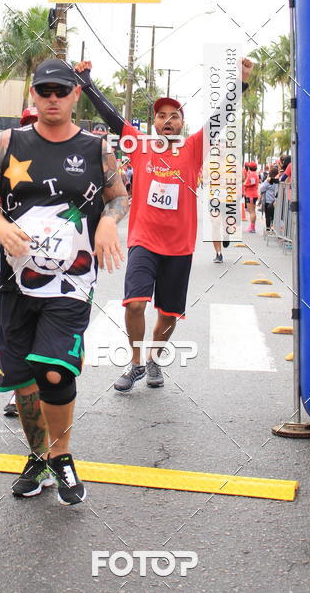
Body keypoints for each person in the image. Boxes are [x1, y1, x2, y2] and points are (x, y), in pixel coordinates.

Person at [0, 58, 129, 505]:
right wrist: (1, 228)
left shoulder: (97, 148)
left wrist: (108, 223)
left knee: (53, 370)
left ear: (75, 95)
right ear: (34, 95)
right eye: (44, 91)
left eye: (60, 91)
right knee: (23, 377)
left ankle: (61, 455)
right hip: (17, 280)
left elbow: (118, 196)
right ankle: (38, 456)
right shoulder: (10, 141)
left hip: (72, 282)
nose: (52, 99)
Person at [74, 57, 253, 393]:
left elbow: (222, 116)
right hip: (144, 239)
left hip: (179, 245)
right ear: (154, 122)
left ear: (182, 122)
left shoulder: (194, 146)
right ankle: (136, 362)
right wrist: (87, 83)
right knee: (136, 303)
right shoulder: (140, 145)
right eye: (161, 116)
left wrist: (240, 82)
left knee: (169, 315)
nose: (167, 121)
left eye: (174, 116)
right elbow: (112, 117)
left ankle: (155, 359)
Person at [4, 106, 40, 419]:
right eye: (27, 125)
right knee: (13, 334)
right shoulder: (8, 164)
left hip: (55, 268)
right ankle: (19, 394)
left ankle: (43, 389)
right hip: (14, 265)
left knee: (45, 334)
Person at [260, 167, 279, 232]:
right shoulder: (277, 181)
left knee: (268, 216)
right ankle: (274, 228)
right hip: (276, 201)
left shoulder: (268, 181)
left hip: (268, 201)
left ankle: (268, 228)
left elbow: (262, 189)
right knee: (274, 216)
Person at [243, 161, 260, 233]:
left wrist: (245, 184)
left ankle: (252, 227)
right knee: (252, 211)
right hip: (252, 194)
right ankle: (252, 226)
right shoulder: (254, 174)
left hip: (251, 195)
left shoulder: (252, 174)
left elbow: (251, 183)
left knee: (252, 211)